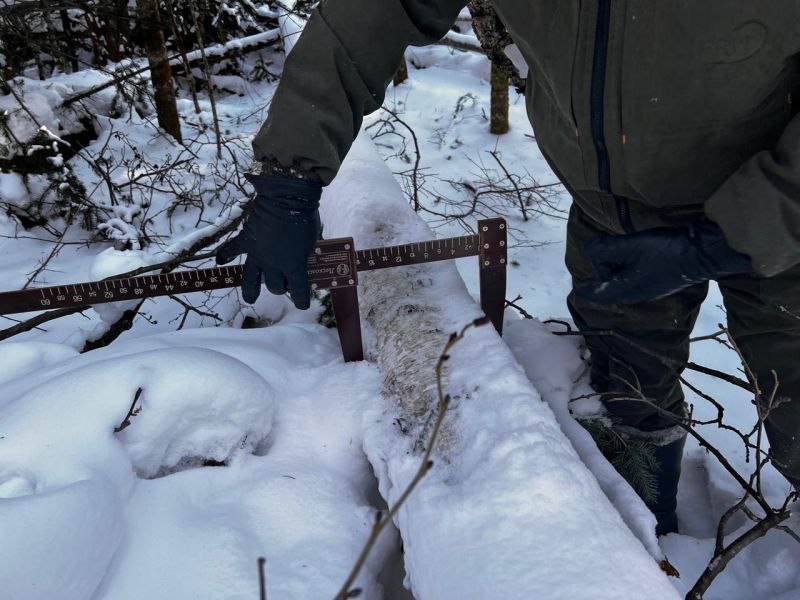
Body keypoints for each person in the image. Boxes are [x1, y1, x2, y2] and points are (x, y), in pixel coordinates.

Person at [215, 1, 800, 536]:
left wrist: (741, 232)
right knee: (629, 392)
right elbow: (376, 13)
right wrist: (289, 176)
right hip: (614, 214)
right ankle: (648, 539)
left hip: (787, 209)